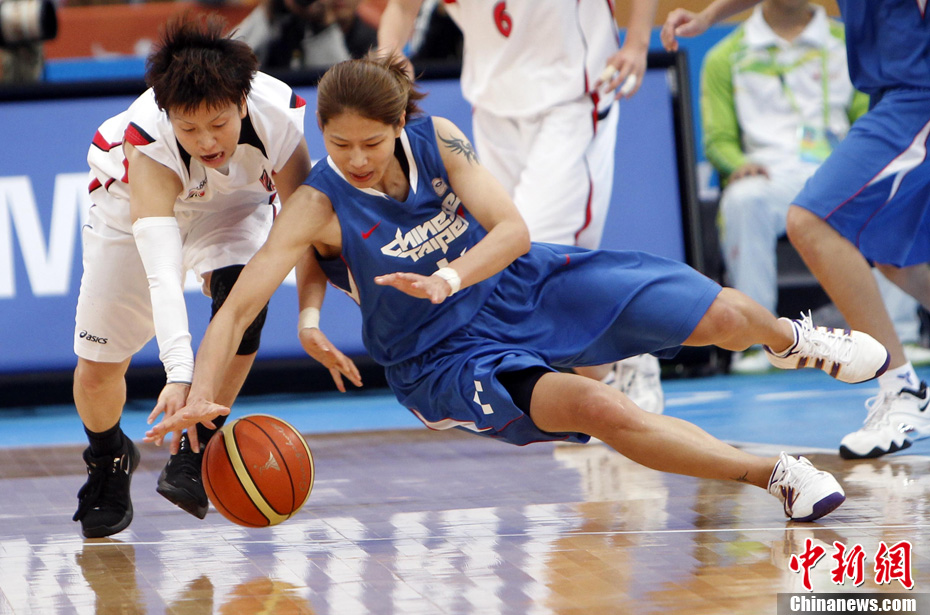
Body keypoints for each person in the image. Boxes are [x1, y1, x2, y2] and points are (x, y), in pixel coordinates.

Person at [146, 55, 891, 523]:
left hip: (519, 281)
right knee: (600, 406)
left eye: (370, 142)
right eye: (339, 145)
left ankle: (794, 340)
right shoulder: (318, 201)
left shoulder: (439, 139)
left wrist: (447, 276)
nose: (356, 158)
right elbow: (239, 307)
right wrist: (203, 394)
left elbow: (512, 230)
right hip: (443, 356)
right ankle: (776, 475)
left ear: (398, 123)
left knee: (721, 311)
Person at [72, 14, 311, 538]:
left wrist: (312, 312)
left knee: (244, 302)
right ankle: (109, 455)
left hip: (233, 205)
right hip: (130, 206)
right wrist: (178, 374)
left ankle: (196, 444)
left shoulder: (278, 117)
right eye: (189, 128)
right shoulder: (150, 145)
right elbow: (164, 274)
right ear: (168, 116)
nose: (206, 141)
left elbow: (306, 223)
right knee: (97, 369)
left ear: (242, 103)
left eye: (218, 124)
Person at [662, 0, 930, 459]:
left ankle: (902, 389)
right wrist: (709, 17)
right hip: (889, 97)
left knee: (810, 221)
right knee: (894, 256)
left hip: (916, 97)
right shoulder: (731, 54)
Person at [377, 0, 666, 413]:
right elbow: (402, 7)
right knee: (507, 264)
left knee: (533, 253)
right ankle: (612, 374)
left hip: (571, 102)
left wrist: (636, 43)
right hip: (493, 109)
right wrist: (390, 53)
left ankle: (626, 360)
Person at [235, 0, 377, 71]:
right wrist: (267, 12)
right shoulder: (280, 25)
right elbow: (228, 60)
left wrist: (322, 26)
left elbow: (342, 91)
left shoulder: (371, 42)